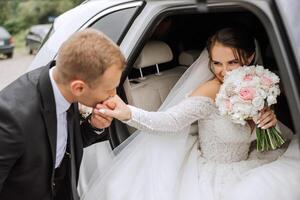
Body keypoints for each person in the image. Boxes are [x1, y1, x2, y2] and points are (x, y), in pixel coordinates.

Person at [82, 27, 300, 200]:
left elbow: (265, 140)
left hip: (251, 163)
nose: (224, 71)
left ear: (250, 57)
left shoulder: (257, 85)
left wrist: (271, 123)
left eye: (233, 62)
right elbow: (170, 121)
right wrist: (127, 112)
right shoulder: (209, 91)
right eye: (217, 63)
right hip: (215, 176)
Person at [0, 28, 125, 200]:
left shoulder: (64, 87)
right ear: (79, 88)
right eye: (109, 89)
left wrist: (94, 127)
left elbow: (61, 143)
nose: (114, 95)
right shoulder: (11, 116)